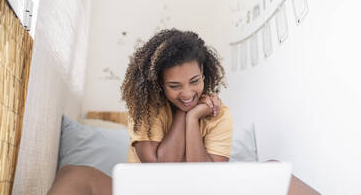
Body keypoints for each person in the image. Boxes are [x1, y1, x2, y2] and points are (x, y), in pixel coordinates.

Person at [48, 29, 320, 195]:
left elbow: (209, 179)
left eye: (195, 81)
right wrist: (185, 114)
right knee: (74, 173)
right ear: (160, 84)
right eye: (175, 86)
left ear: (204, 73)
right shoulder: (146, 108)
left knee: (274, 171)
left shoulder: (218, 113)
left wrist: (193, 119)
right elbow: (158, 168)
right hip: (146, 193)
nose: (188, 93)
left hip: (203, 193)